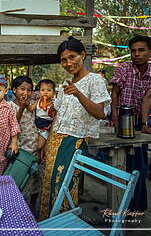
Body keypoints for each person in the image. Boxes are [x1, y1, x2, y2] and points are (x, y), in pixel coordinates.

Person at [39, 36, 111, 220]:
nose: (68, 63)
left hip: (74, 141)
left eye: (72, 57)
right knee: (48, 185)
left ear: (83, 55)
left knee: (64, 187)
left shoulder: (94, 80)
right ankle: (49, 226)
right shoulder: (65, 83)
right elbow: (58, 115)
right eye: (64, 59)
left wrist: (79, 94)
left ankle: (63, 225)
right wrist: (48, 141)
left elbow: (101, 113)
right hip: (55, 140)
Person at [110, 35, 151, 211]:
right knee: (122, 162)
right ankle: (120, 204)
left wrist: (145, 122)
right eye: (133, 51)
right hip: (121, 120)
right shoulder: (124, 68)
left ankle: (136, 206)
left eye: (141, 50)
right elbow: (115, 93)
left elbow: (148, 98)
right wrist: (115, 117)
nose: (137, 54)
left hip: (139, 123)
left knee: (139, 165)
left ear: (150, 52)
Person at [8, 76, 40, 213]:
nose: (25, 93)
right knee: (20, 179)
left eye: (29, 90)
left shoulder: (33, 105)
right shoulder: (9, 105)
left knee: (36, 179)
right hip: (20, 149)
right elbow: (13, 124)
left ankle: (32, 206)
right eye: (22, 89)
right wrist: (21, 107)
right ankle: (18, 208)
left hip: (35, 146)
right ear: (14, 90)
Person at [27, 79, 56, 160]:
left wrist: (50, 126)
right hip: (35, 127)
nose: (45, 92)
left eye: (49, 90)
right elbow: (31, 109)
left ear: (54, 93)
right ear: (39, 92)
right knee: (34, 145)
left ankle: (39, 159)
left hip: (44, 129)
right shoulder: (38, 101)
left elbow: (55, 118)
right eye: (43, 90)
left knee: (39, 146)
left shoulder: (53, 105)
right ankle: (37, 160)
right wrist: (26, 105)